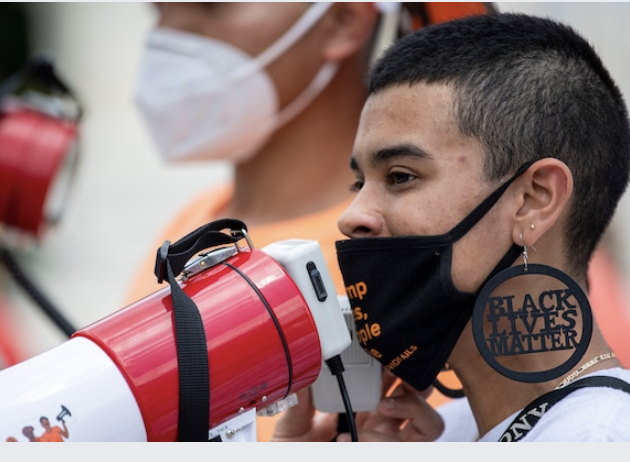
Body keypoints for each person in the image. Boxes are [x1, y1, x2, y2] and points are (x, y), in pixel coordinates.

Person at [127, 2, 495, 441]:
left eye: (210, 4)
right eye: (160, 7)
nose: (169, 33)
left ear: (342, 20)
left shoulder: (449, 257)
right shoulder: (195, 222)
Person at [272, 12, 630, 442]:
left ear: (534, 199)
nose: (351, 217)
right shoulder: (442, 433)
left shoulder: (600, 435)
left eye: (401, 176)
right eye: (358, 182)